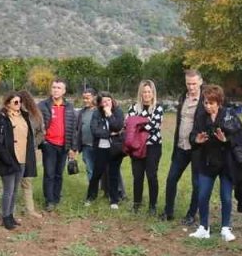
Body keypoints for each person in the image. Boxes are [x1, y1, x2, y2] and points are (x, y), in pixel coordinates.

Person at [189, 84, 242, 242]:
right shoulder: (201, 117)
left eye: (211, 103)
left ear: (219, 102)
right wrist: (197, 140)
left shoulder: (229, 115)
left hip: (226, 163)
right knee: (202, 195)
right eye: (205, 103)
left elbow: (241, 137)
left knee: (226, 197)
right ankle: (203, 228)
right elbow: (192, 136)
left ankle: (225, 228)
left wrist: (226, 140)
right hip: (207, 162)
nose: (208, 106)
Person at [162, 70, 204, 224]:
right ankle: (168, 211)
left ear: (200, 82)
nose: (191, 87)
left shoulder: (205, 99)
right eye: (188, 83)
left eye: (194, 83)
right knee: (171, 179)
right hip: (181, 146)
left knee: (196, 183)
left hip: (198, 149)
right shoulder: (182, 97)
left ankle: (192, 214)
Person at [0, 91, 35, 229]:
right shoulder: (1, 118)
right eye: (15, 102)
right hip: (8, 159)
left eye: (20, 102)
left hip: (21, 158)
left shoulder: (24, 116)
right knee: (8, 190)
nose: (18, 104)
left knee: (15, 189)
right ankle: (5, 217)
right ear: (8, 103)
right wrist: (4, 155)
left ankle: (11, 215)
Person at [37, 79, 79, 210]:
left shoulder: (69, 107)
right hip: (49, 144)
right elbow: (37, 125)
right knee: (49, 173)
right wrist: (42, 141)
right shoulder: (43, 105)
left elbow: (73, 128)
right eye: (54, 87)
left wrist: (73, 147)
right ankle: (49, 200)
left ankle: (56, 197)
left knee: (59, 174)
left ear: (64, 91)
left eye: (59, 88)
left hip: (64, 145)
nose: (56, 90)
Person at [126, 79, 165, 214]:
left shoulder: (158, 108)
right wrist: (144, 123)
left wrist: (138, 123)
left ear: (153, 93)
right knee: (137, 176)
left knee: (151, 175)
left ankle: (152, 206)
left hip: (153, 146)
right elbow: (130, 125)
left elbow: (154, 127)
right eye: (144, 92)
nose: (147, 94)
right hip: (136, 146)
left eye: (149, 92)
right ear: (140, 94)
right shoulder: (133, 108)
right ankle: (137, 203)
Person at [84, 92, 124, 209]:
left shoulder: (118, 112)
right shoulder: (96, 113)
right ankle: (91, 197)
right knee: (97, 173)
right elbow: (94, 130)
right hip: (101, 148)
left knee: (114, 174)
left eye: (108, 100)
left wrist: (109, 114)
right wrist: (110, 134)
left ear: (112, 100)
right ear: (100, 103)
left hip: (115, 148)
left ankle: (114, 200)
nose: (106, 103)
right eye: (104, 101)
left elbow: (118, 126)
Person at [17, 90, 45, 219]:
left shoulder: (35, 115)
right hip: (15, 153)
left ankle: (30, 210)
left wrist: (33, 145)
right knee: (12, 183)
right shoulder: (11, 114)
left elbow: (41, 132)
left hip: (29, 154)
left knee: (27, 181)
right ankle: (9, 212)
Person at [74, 86, 99, 184]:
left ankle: (104, 188)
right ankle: (92, 191)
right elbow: (77, 130)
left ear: (94, 97)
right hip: (86, 146)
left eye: (88, 98)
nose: (85, 100)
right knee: (90, 169)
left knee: (101, 169)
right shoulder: (81, 113)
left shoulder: (99, 111)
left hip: (99, 145)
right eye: (84, 98)